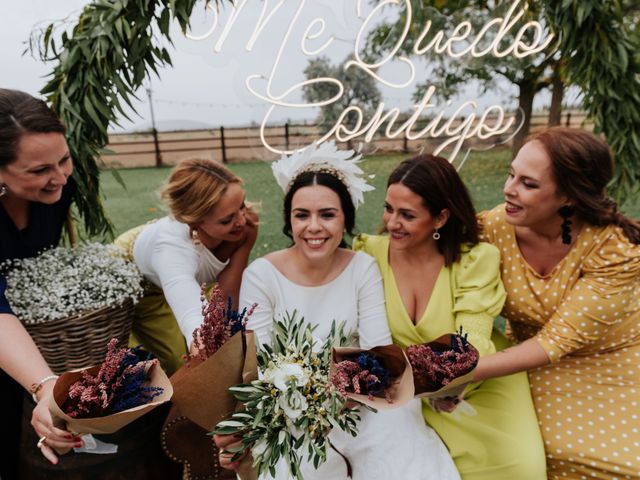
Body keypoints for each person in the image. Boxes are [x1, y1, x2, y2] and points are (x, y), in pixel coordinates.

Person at [217, 142, 461, 480]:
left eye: (327, 214)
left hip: (367, 405)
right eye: (302, 215)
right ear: (290, 219)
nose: (313, 227)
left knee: (401, 457)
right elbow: (261, 365)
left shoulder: (362, 268)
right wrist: (306, 401)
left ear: (345, 218)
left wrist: (348, 394)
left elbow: (378, 350)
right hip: (292, 413)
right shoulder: (262, 275)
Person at [353, 154, 547, 480]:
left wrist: (450, 387)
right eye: (389, 209)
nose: (392, 223)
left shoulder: (475, 261)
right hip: (400, 393)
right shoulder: (367, 253)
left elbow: (472, 342)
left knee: (521, 467)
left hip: (478, 384)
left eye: (407, 215)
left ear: (441, 218)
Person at [472, 127, 640, 479]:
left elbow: (558, 340)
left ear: (568, 196)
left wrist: (458, 372)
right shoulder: (493, 228)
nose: (509, 189)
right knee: (529, 454)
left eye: (528, 184)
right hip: (528, 362)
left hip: (611, 359)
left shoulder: (614, 248)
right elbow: (432, 244)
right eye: (511, 174)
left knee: (623, 464)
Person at [0, 89, 81, 475]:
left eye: (63, 159)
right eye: (38, 171)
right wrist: (45, 384)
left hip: (20, 350)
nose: (59, 177)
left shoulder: (59, 191)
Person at [115, 158, 257, 375]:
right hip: (138, 277)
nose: (242, 220)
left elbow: (226, 299)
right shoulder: (171, 251)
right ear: (195, 220)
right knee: (176, 359)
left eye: (242, 206)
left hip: (190, 276)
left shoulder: (244, 227)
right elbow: (192, 317)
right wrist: (201, 344)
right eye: (227, 219)